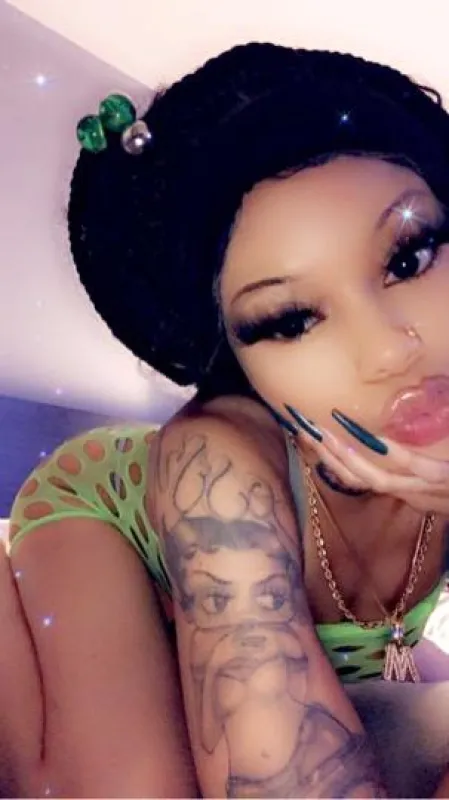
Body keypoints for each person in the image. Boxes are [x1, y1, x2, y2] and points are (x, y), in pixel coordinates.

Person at [2, 42, 449, 798]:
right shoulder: (215, 464)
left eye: (410, 257)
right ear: (238, 362)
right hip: (114, 512)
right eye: (290, 320)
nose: (387, 350)